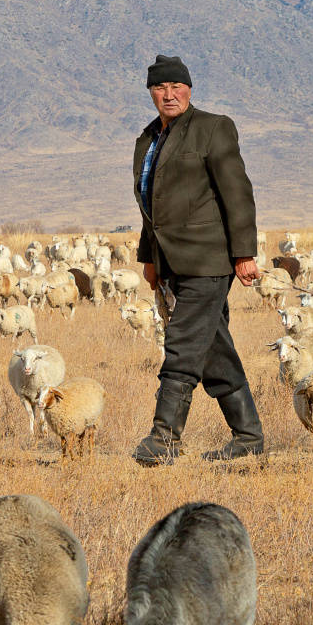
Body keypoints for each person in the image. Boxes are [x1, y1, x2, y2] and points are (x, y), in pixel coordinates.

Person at [131, 54, 264, 466]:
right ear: (150, 92)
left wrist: (244, 253)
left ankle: (165, 437)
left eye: (176, 87)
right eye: (159, 88)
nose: (168, 95)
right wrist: (149, 258)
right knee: (212, 349)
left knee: (184, 343)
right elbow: (150, 203)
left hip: (208, 259)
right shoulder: (149, 138)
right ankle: (248, 437)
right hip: (170, 261)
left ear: (189, 89)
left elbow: (237, 192)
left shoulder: (213, 128)